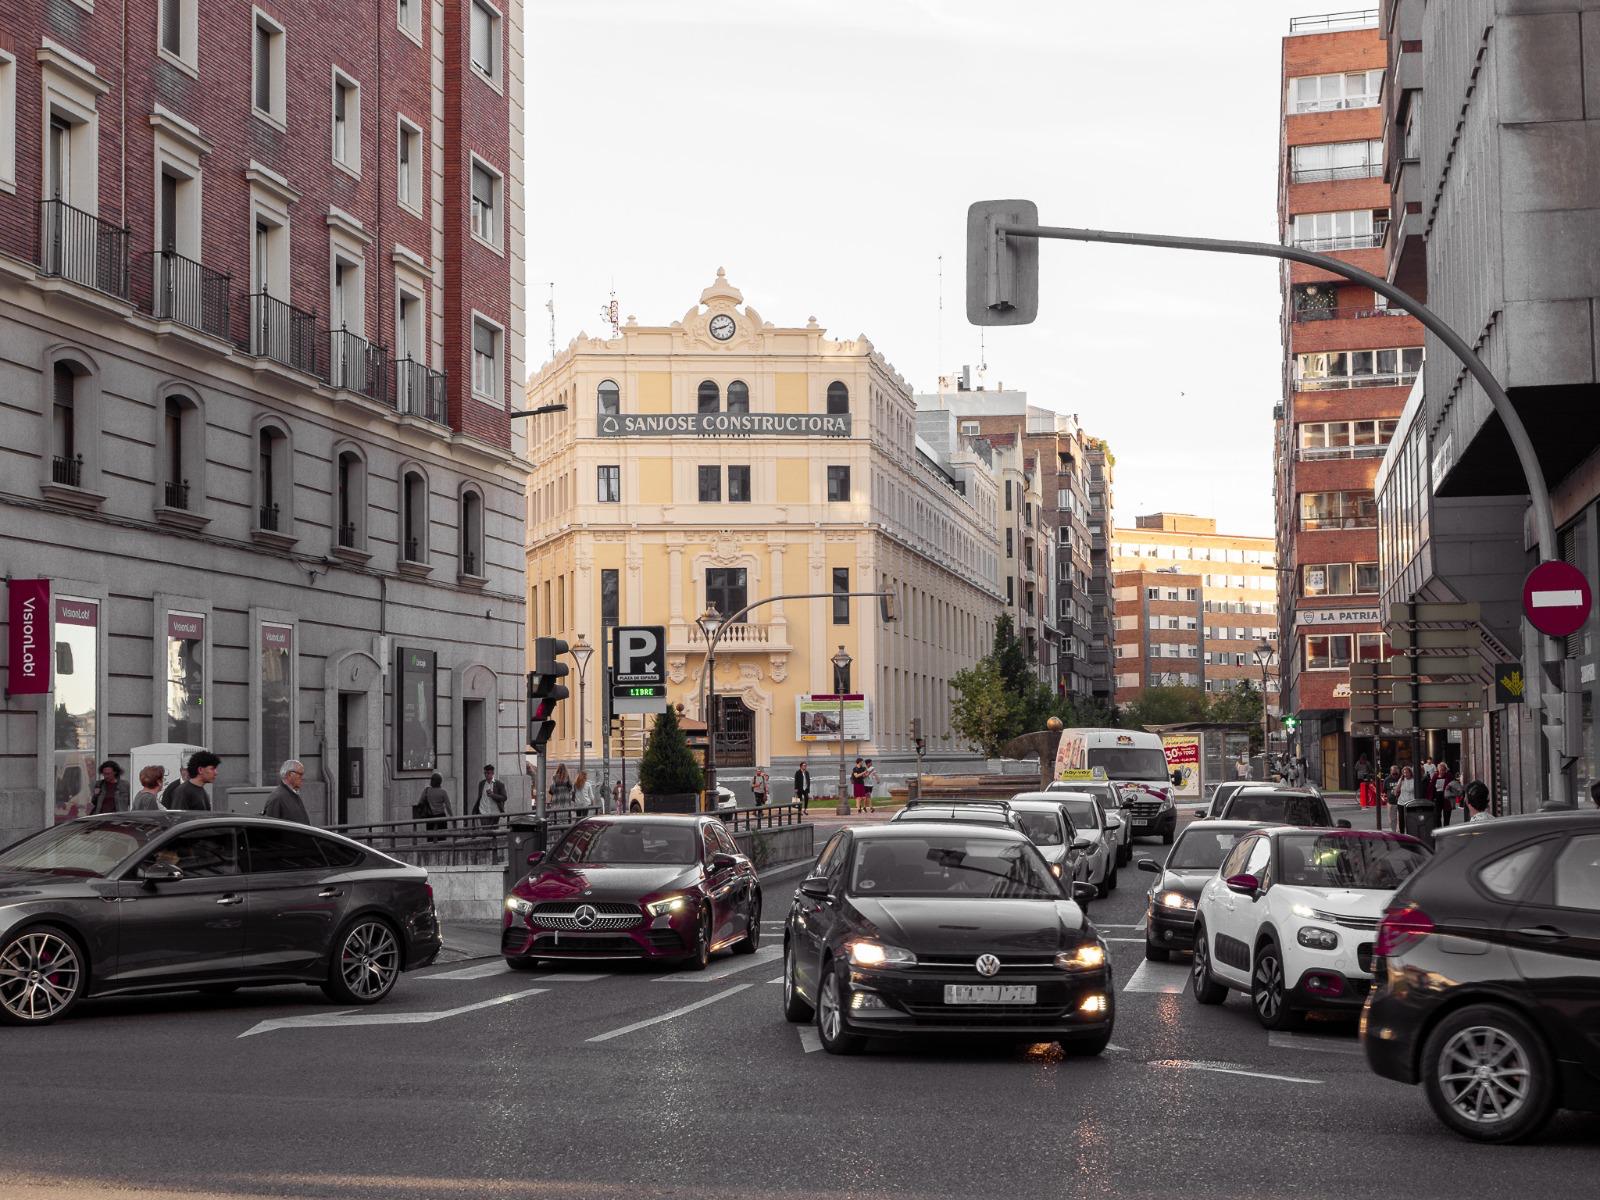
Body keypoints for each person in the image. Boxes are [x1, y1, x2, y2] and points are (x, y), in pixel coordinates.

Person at [419, 772, 451, 837]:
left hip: (430, 817)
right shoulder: (443, 792)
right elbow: (448, 806)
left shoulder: (426, 790)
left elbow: (420, 802)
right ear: (440, 781)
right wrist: (452, 817)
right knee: (441, 837)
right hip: (441, 817)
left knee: (430, 837)